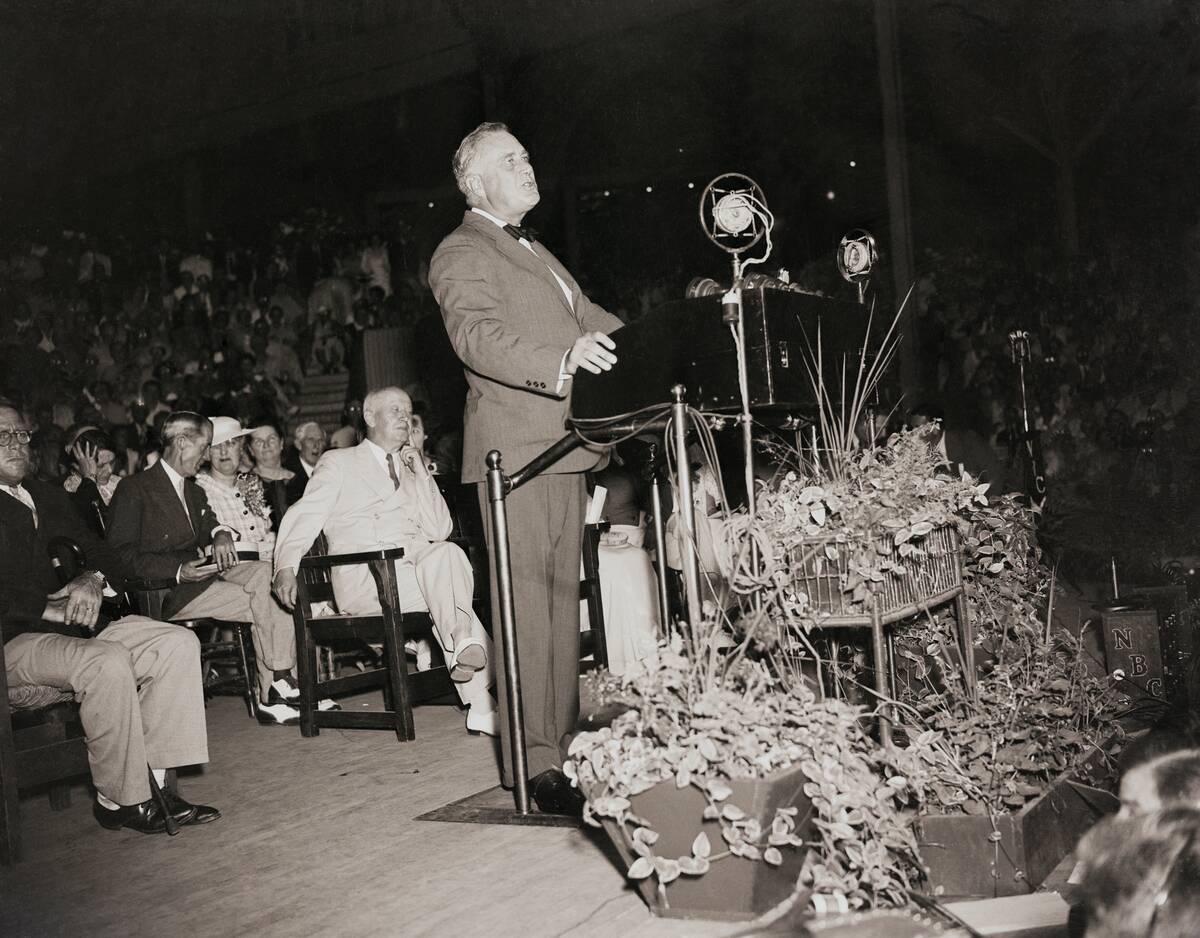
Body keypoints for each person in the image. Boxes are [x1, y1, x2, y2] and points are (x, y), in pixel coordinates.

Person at [429, 122, 622, 814]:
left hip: (563, 450)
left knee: (556, 613)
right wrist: (561, 361)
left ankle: (562, 750)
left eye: (528, 154)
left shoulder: (537, 250)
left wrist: (653, 344)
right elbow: (476, 338)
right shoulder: (460, 251)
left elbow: (591, 318)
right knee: (525, 615)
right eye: (511, 161)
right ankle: (533, 764)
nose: (528, 165)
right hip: (515, 455)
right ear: (476, 184)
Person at [0, 403, 218, 833]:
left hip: (76, 631)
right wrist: (44, 606)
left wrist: (91, 578)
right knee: (108, 661)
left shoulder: (46, 493)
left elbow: (107, 554)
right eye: (1, 435)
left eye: (20, 434)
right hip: (15, 640)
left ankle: (154, 786)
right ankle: (122, 798)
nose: (14, 443)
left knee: (175, 644)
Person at [273, 387, 498, 736]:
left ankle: (465, 650)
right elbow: (304, 515)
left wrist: (422, 473)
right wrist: (286, 566)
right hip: (369, 577)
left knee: (449, 552)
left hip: (417, 572)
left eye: (408, 412)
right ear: (368, 416)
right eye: (395, 410)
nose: (404, 418)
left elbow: (440, 530)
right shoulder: (339, 462)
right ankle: (477, 683)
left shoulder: (412, 470)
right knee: (451, 592)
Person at [105, 411, 302, 725]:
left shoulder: (193, 490)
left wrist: (219, 533)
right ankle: (276, 686)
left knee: (266, 581)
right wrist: (178, 569)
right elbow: (118, 556)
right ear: (182, 442)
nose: (209, 454)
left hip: (199, 585)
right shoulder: (135, 488)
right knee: (263, 597)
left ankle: (275, 686)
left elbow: (209, 523)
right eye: (206, 446)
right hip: (163, 591)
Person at [194, 417, 276, 561]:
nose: (224, 452)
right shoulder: (199, 491)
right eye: (217, 446)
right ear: (207, 453)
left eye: (231, 443)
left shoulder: (252, 484)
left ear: (241, 448)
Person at [62, 426, 120, 536]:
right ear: (80, 465)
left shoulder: (119, 483)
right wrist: (89, 477)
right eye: (101, 465)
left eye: (112, 462)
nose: (110, 470)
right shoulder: (70, 490)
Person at [246, 415, 295, 528]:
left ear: (281, 443)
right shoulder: (245, 484)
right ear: (250, 450)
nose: (266, 445)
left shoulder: (300, 481)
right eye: (259, 442)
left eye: (271, 439)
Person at [284, 420, 326, 504]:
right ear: (298, 444)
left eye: (320, 440)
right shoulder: (288, 475)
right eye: (310, 440)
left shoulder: (330, 469)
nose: (316, 446)